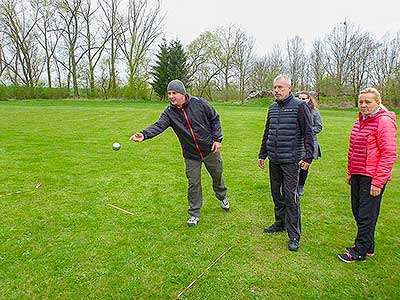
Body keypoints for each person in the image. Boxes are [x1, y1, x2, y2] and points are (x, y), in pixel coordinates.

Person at [129, 79, 229, 227]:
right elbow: (159, 126)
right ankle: (194, 214)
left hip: (210, 150)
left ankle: (222, 197)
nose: (171, 96)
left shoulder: (199, 103)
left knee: (217, 176)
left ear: (182, 93)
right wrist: (144, 134)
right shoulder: (169, 113)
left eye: (174, 93)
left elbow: (215, 118)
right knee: (193, 184)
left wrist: (217, 139)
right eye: (169, 93)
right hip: (191, 155)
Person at [338, 88, 397, 263]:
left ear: (378, 102)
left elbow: (389, 153)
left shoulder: (384, 122)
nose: (363, 105)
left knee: (366, 214)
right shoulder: (360, 121)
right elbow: (353, 149)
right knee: (358, 211)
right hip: (358, 173)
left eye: (368, 102)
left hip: (372, 176)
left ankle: (359, 251)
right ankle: (369, 246)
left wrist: (378, 182)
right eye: (361, 102)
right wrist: (350, 172)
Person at [258, 75, 314, 252]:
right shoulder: (272, 108)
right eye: (275, 87)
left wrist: (308, 157)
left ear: (289, 88)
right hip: (274, 159)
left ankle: (294, 236)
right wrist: (262, 153)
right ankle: (280, 223)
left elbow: (308, 133)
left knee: (291, 197)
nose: (276, 90)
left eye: (280, 87)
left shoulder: (300, 106)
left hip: (291, 160)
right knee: (276, 193)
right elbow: (268, 131)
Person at [297, 91, 323, 196]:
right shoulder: (296, 110)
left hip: (310, 142)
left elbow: (319, 126)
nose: (302, 101)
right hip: (297, 142)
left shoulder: (314, 112)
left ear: (309, 99)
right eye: (300, 99)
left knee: (305, 166)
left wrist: (307, 130)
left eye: (304, 99)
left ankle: (301, 186)